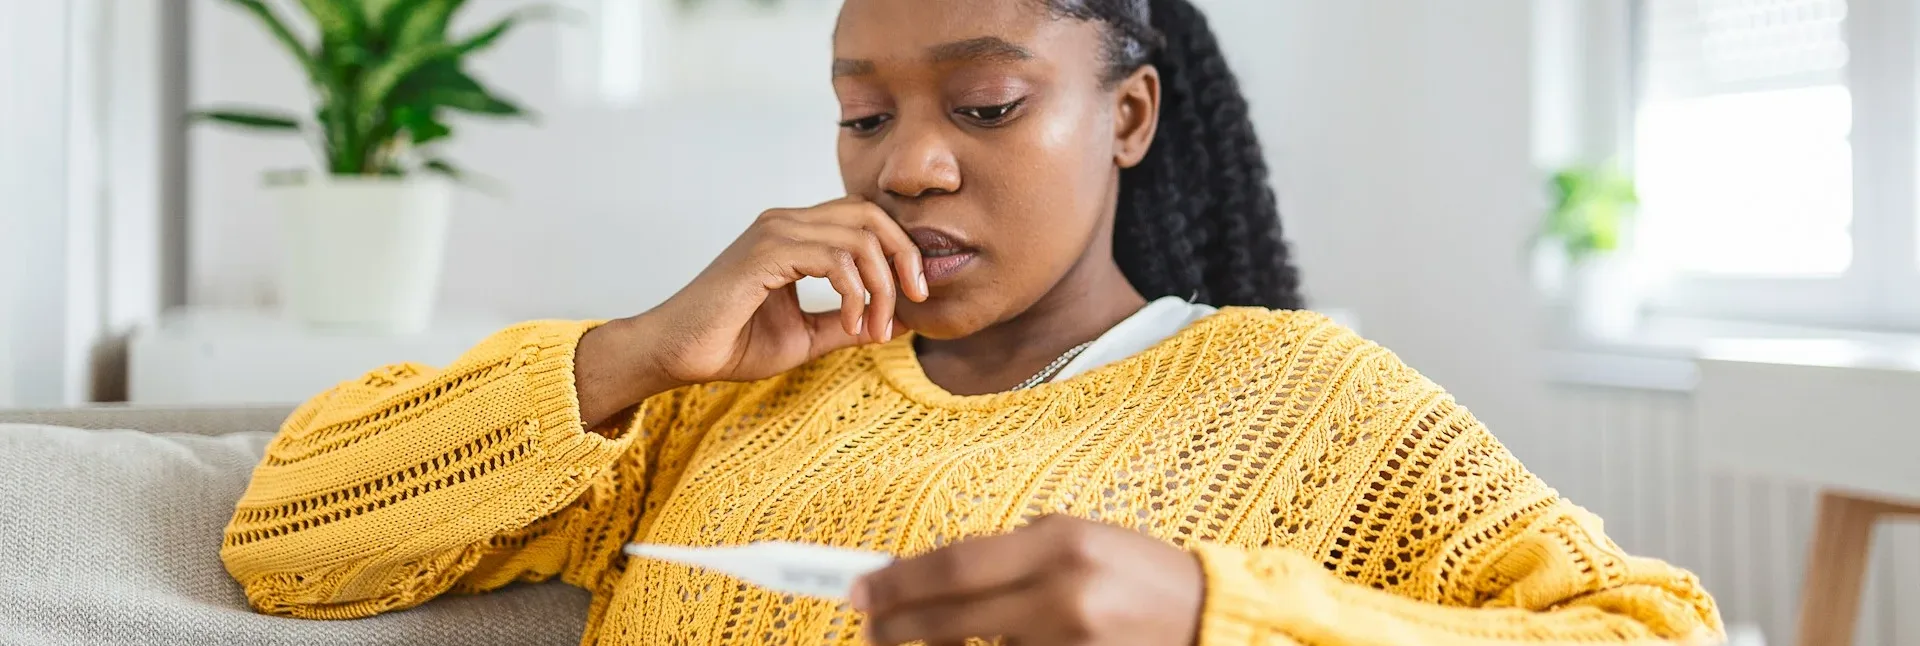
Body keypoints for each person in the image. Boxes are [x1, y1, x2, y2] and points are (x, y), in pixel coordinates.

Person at [219, 0, 1723, 643]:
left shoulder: (1301, 394)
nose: (909, 161)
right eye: (862, 113)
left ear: (1128, 114)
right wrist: (634, 350)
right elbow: (284, 536)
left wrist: (1222, 614)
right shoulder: (719, 391)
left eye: (986, 103)